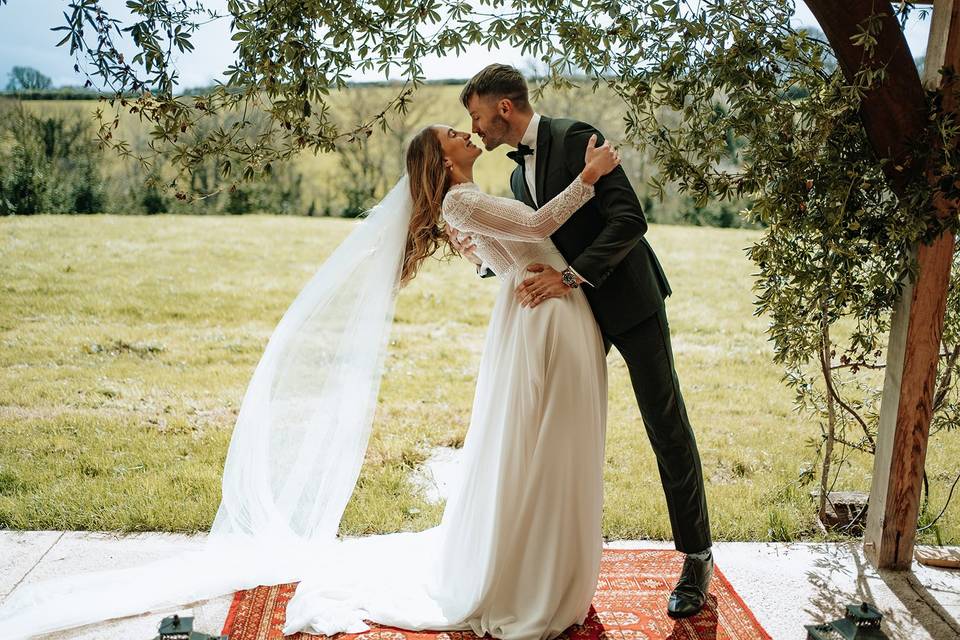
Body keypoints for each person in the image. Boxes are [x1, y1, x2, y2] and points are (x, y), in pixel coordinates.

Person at [0, 126, 622, 640]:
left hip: (540, 310)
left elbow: (504, 248)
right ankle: (532, 574)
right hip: (543, 316)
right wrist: (589, 177)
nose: (466, 133)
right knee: (544, 445)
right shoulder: (460, 201)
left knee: (543, 446)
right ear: (440, 158)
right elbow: (540, 224)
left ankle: (538, 565)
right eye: (454, 134)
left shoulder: (465, 201)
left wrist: (503, 258)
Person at [450, 64, 714, 618]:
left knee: (664, 423)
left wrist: (573, 278)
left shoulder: (575, 138)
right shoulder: (518, 178)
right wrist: (477, 254)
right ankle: (557, 564)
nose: (474, 128)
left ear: (503, 107)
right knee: (557, 433)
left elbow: (629, 220)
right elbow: (532, 242)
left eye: (476, 115)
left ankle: (696, 558)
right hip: (570, 321)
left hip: (629, 304)